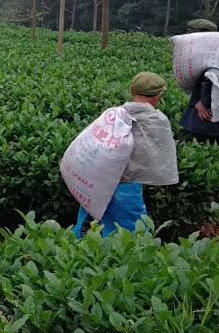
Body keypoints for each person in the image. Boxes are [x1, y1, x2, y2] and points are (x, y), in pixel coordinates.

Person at [73, 71, 179, 237]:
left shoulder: (114, 114)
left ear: (131, 90)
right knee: (129, 234)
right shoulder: (157, 120)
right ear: (158, 96)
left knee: (88, 224)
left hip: (98, 181)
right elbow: (157, 158)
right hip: (127, 186)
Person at [179, 19, 219, 145]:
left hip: (205, 115)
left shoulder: (209, 52)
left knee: (196, 144)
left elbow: (212, 77)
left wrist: (203, 103)